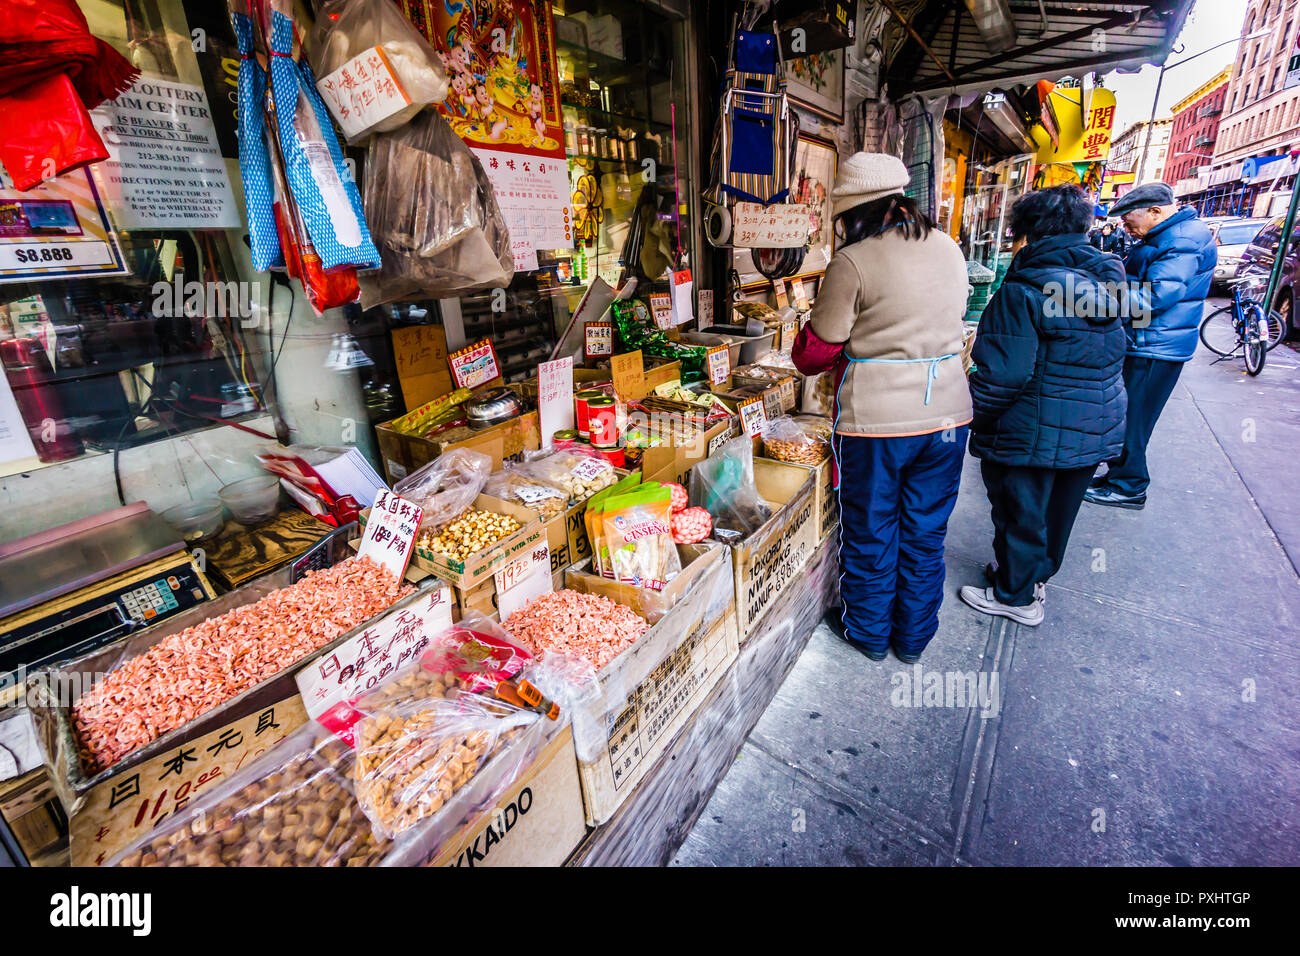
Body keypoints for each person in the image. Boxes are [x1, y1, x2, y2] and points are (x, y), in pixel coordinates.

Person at [792, 152, 971, 663]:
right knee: (925, 530)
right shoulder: (948, 247)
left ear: (858, 211)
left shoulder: (854, 261)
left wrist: (814, 337)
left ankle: (868, 634)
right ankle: (913, 639)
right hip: (949, 417)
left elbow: (817, 349)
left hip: (877, 424)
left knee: (872, 527)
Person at [958, 186, 1129, 625]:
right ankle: (1031, 579)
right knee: (1056, 512)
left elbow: (1004, 374)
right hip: (1092, 422)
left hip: (1033, 425)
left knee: (1020, 509)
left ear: (1028, 235)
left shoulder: (1024, 290)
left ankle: (1014, 598)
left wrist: (966, 416)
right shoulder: (1107, 279)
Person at [1085, 182, 1215, 509]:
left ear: (1156, 211)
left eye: (1130, 220)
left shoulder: (1182, 239)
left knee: (1134, 417)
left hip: (1155, 345)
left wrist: (1091, 299)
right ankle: (1119, 475)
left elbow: (1155, 296)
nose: (1126, 228)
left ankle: (1128, 485)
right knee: (1128, 414)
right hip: (1149, 340)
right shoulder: (1167, 235)